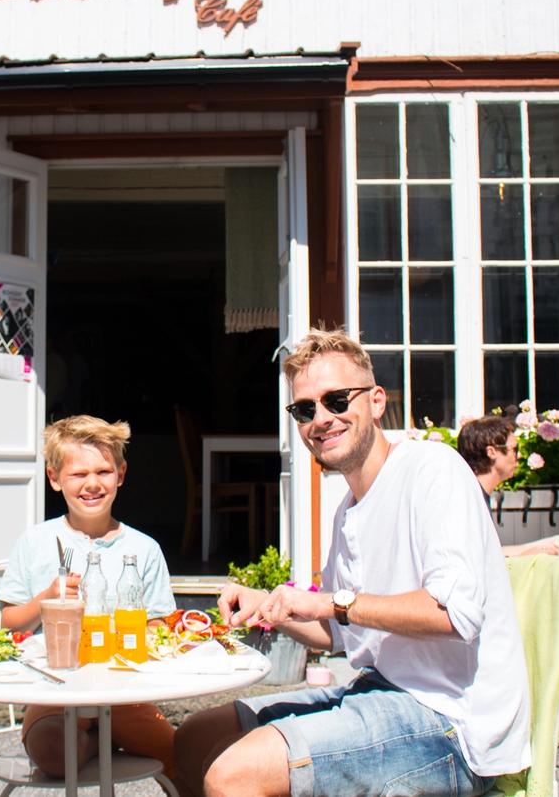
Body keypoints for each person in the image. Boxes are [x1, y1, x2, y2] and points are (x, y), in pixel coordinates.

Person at [175, 328, 531, 796]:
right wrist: (273, 606)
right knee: (193, 738)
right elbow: (339, 633)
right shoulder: (347, 509)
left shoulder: (432, 469)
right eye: (305, 409)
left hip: (452, 721)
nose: (321, 419)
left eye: (337, 400)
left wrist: (332, 603)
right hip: (381, 692)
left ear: (377, 401)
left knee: (234, 773)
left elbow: (454, 614)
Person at [0, 415, 178, 778]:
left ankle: (106, 737)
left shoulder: (143, 548)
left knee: (182, 759)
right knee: (53, 753)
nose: (92, 484)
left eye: (103, 472)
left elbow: (161, 624)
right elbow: (8, 623)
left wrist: (138, 630)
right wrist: (47, 598)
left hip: (126, 692)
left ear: (121, 474)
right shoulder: (36, 542)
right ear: (54, 478)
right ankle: (101, 743)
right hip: (55, 690)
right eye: (78, 475)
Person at [457, 414, 559, 557]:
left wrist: (545, 546)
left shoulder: (473, 493)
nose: (520, 455)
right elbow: (480, 558)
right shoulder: (467, 500)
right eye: (514, 450)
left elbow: (490, 555)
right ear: (491, 452)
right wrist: (541, 548)